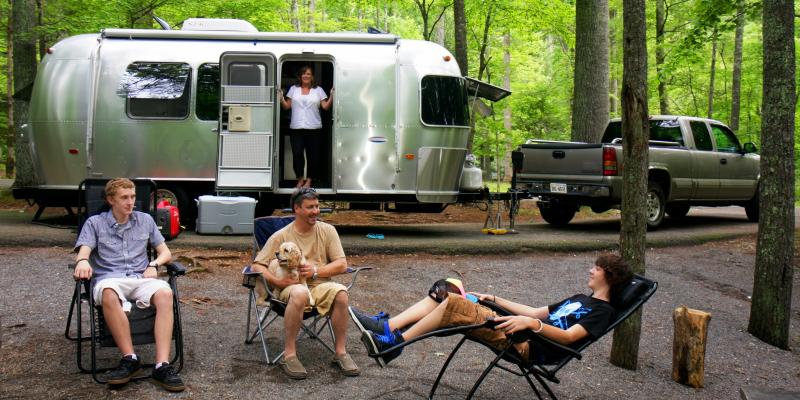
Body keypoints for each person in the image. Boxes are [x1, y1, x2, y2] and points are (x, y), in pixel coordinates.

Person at [350, 253, 633, 367]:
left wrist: (531, 326)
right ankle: (389, 329)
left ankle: (394, 344)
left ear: (608, 275)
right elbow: (535, 312)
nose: (590, 270)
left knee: (453, 303)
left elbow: (570, 337)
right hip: (517, 327)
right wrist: (493, 297)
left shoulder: (603, 311)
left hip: (524, 344)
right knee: (449, 285)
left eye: (595, 268)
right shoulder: (580, 298)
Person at [73, 178, 184, 392]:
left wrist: (154, 264)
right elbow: (84, 251)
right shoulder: (95, 223)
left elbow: (166, 253)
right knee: (108, 293)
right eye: (124, 197)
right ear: (110, 199)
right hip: (109, 278)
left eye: (133, 197)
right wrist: (83, 261)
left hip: (140, 277)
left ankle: (162, 365)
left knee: (165, 293)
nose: (130, 202)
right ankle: (130, 358)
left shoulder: (145, 221)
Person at [249, 187, 359, 379]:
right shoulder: (281, 236)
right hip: (290, 287)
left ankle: (340, 352)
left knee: (341, 292)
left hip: (318, 285)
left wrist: (316, 271)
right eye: (310, 207)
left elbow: (341, 264)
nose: (315, 211)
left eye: (317, 206)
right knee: (299, 292)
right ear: (297, 209)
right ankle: (289, 355)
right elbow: (257, 266)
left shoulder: (328, 231)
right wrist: (278, 281)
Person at [279, 65, 333, 188]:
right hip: (296, 127)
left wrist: (331, 96)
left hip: (314, 128)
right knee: (297, 154)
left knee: (312, 155)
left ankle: (309, 180)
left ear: (312, 76)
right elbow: (286, 106)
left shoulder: (318, 90)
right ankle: (300, 179)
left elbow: (325, 107)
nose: (305, 76)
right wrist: (281, 98)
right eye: (303, 73)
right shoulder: (293, 89)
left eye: (308, 74)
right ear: (300, 76)